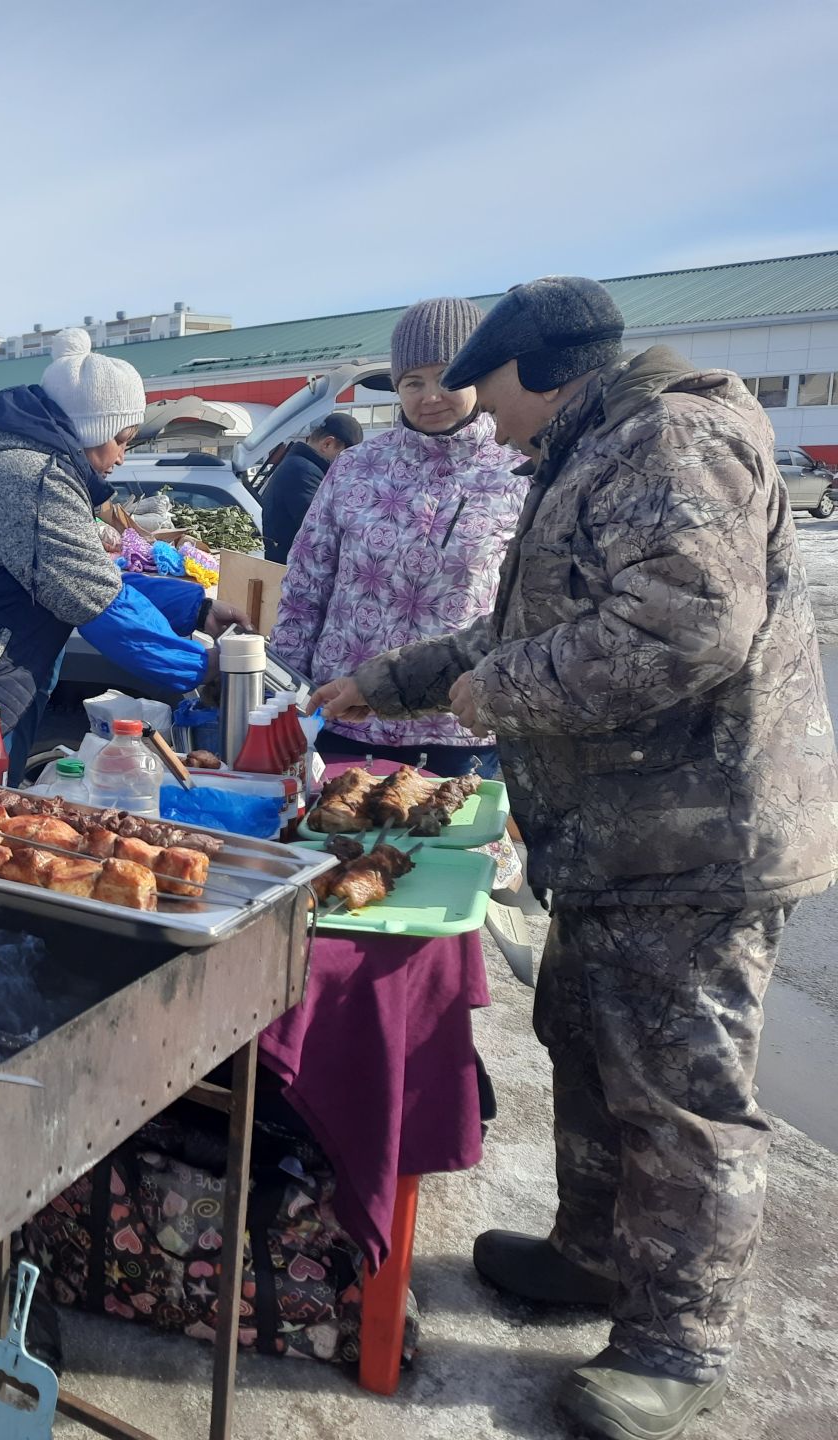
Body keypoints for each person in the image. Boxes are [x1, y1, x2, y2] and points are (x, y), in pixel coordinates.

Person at [311, 276, 838, 1440]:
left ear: (543, 371)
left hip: (700, 840)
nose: (481, 418)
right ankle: (596, 1255)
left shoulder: (671, 441)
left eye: (489, 392)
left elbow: (686, 629)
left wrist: (488, 696)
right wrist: (397, 677)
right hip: (621, 838)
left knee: (680, 1095)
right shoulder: (591, 450)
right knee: (591, 1048)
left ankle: (675, 1345)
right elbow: (530, 624)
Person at [0, 328, 245, 781]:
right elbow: (99, 603)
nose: (121, 458)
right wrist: (201, 665)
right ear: (93, 428)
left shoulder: (32, 469)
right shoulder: (34, 480)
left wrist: (198, 610)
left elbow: (93, 576)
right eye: (123, 439)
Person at [270, 297, 528, 779]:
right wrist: (287, 689)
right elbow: (306, 586)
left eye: (449, 377)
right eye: (413, 382)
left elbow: (528, 607)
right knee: (334, 847)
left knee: (453, 851)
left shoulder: (517, 471)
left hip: (458, 726)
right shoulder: (356, 468)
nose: (431, 395)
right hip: (345, 713)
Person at [259, 411, 363, 562]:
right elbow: (321, 531)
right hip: (291, 572)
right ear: (327, 444)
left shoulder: (299, 465)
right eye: (347, 456)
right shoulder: (302, 472)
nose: (347, 464)